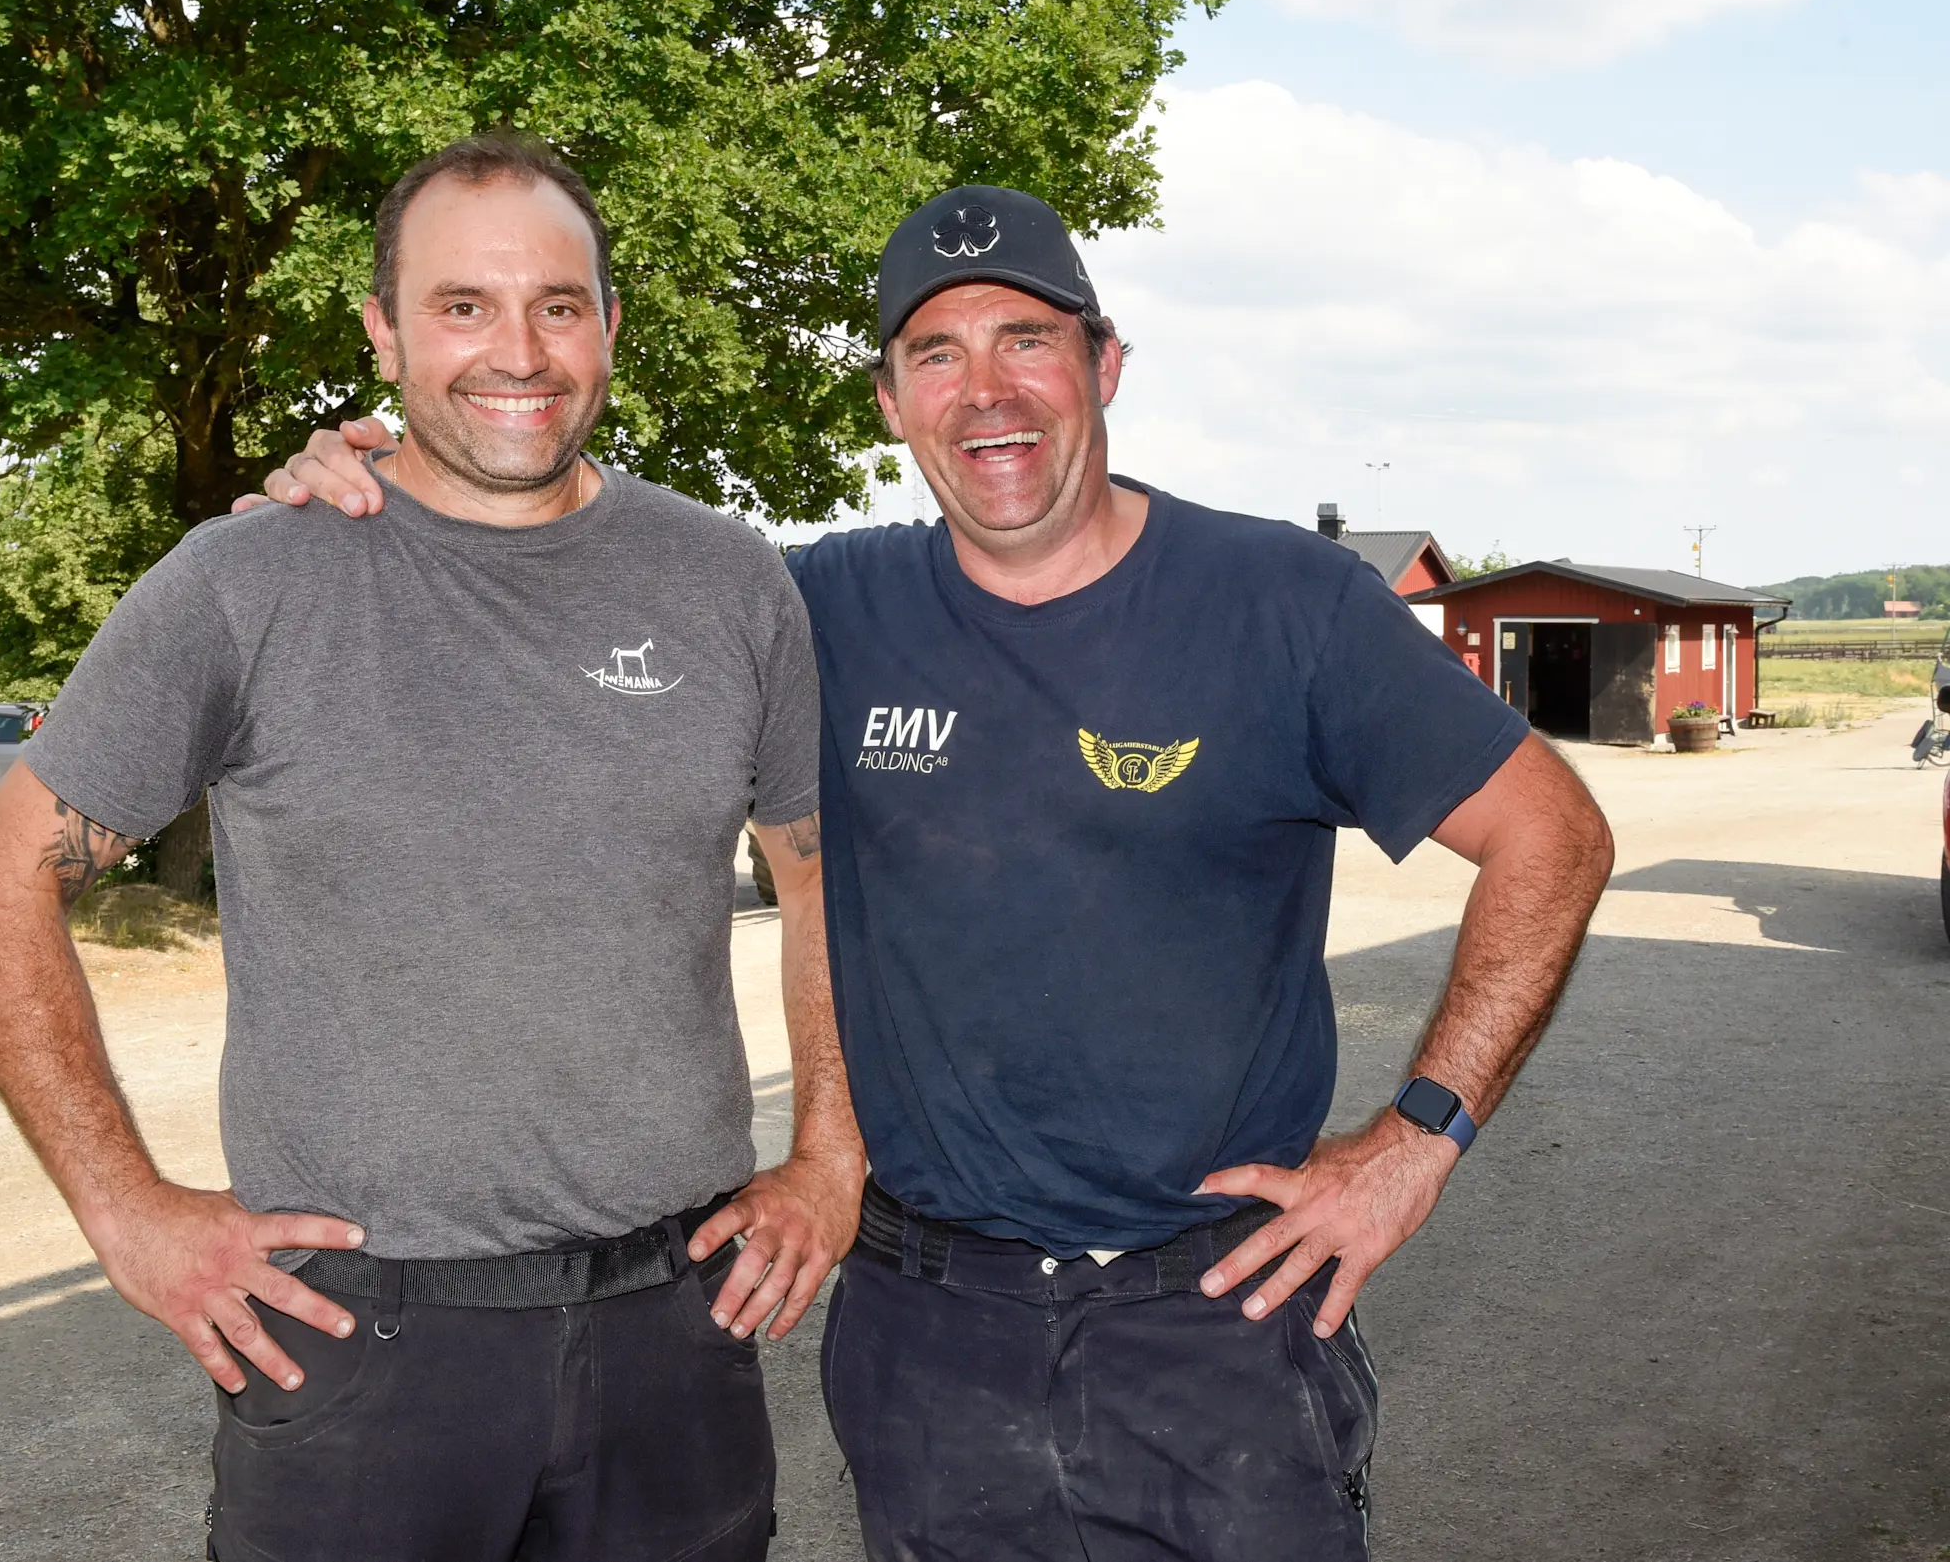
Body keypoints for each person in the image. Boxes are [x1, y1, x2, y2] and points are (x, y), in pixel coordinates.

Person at [246, 185, 1614, 1559]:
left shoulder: (1287, 605)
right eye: (935, 356)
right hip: (925, 1338)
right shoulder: (818, 610)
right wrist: (371, 492)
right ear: (891, 401)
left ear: (1105, 363)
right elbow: (562, 587)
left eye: (1025, 339)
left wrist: (1415, 1141)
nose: (985, 392)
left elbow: (1552, 834)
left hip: (1218, 1333)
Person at [0, 132, 865, 1562]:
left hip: (674, 1328)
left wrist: (828, 1155)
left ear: (611, 326)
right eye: (462, 307)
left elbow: (817, 884)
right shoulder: (250, 580)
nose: (521, 351)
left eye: (560, 304)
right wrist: (123, 1208)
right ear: (382, 333)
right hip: (359, 1352)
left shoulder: (729, 580)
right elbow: (3, 881)